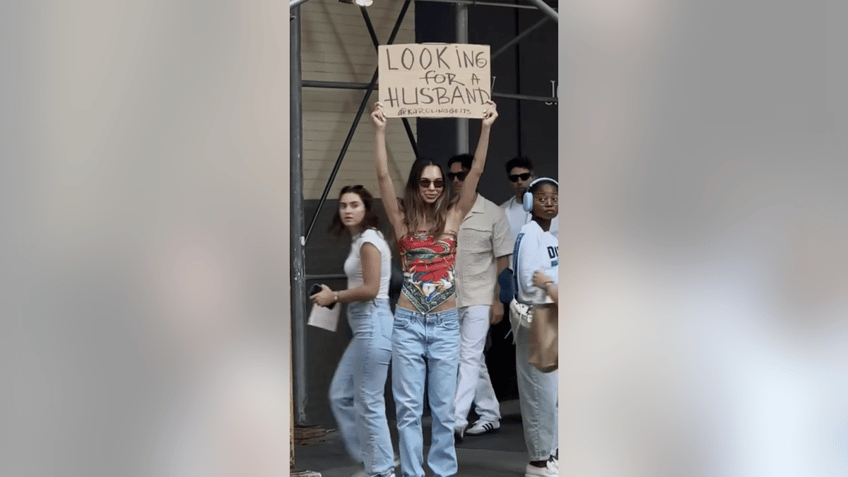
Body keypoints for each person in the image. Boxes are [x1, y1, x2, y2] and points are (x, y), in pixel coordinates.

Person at [371, 100, 498, 477]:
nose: (431, 187)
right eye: (424, 182)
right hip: (408, 322)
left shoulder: (455, 215)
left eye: (438, 182)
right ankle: (412, 473)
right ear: (415, 184)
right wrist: (379, 131)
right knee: (408, 409)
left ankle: (442, 472)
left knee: (443, 410)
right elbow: (381, 178)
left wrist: (486, 128)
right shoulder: (402, 217)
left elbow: (475, 171)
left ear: (445, 186)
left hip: (444, 326)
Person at [310, 185, 396, 477]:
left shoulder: (369, 241)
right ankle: (372, 461)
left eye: (354, 205)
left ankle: (382, 470)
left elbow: (371, 289)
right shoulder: (361, 239)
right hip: (364, 327)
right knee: (340, 395)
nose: (347, 210)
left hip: (373, 323)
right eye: (344, 205)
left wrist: (334, 296)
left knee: (369, 402)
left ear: (366, 209)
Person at [446, 154, 512, 440]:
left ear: (475, 175)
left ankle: (455, 420)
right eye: (453, 176)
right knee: (470, 359)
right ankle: (489, 413)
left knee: (468, 356)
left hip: (480, 297)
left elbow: (503, 262)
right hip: (449, 297)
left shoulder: (494, 214)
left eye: (462, 174)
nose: (457, 180)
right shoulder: (446, 211)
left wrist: (498, 300)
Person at [511, 178, 559, 477]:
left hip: (553, 315)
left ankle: (550, 455)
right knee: (539, 393)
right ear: (529, 203)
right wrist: (554, 289)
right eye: (542, 198)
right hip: (538, 317)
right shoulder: (529, 234)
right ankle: (538, 462)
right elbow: (530, 283)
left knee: (552, 394)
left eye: (554, 197)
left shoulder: (551, 237)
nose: (550, 202)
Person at [500, 157, 559, 245]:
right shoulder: (501, 210)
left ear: (532, 177)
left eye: (524, 177)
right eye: (514, 178)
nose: (519, 182)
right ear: (509, 181)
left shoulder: (551, 206)